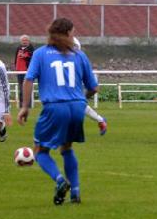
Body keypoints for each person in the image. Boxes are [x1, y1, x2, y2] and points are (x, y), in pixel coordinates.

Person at [17, 18, 98, 205]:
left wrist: (25, 107)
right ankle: (75, 192)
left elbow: (29, 80)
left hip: (54, 107)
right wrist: (79, 100)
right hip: (77, 107)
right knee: (67, 147)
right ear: (68, 33)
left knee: (40, 151)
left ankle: (61, 181)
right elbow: (93, 87)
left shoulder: (40, 54)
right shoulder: (79, 55)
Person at [71, 37, 108, 135]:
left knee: (77, 105)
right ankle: (101, 120)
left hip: (74, 87)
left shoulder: (79, 58)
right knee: (78, 106)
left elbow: (93, 85)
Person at [14, 35, 35, 108]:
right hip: (19, 71)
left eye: (26, 40)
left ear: (28, 41)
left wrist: (25, 56)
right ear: (21, 41)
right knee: (21, 88)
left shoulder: (31, 49)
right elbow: (16, 59)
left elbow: (32, 59)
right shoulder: (18, 48)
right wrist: (16, 67)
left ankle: (28, 105)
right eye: (23, 40)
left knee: (27, 88)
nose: (24, 42)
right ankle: (21, 105)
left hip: (27, 71)